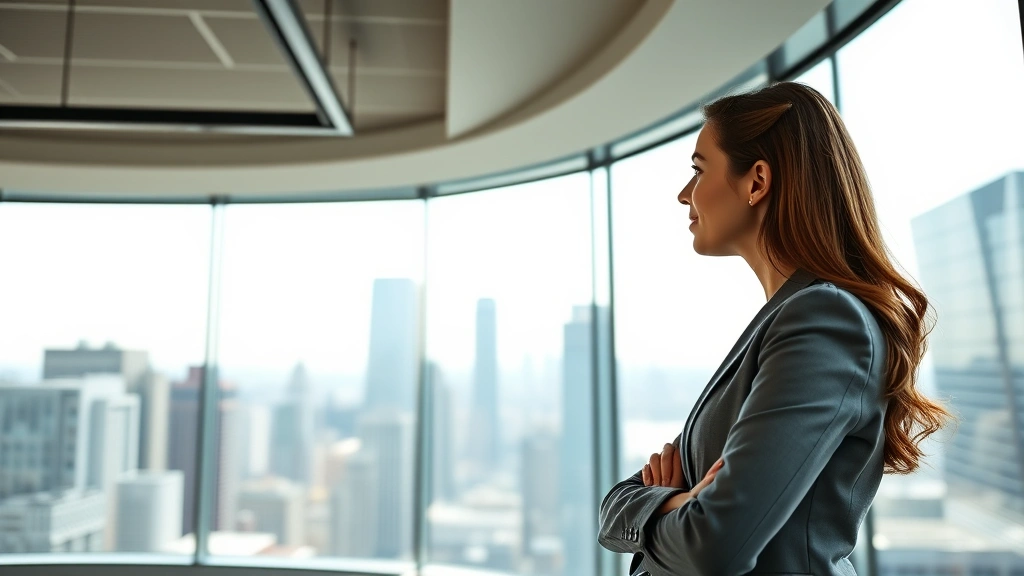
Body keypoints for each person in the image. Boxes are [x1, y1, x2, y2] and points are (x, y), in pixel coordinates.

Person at [597, 82, 953, 576]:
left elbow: (714, 544)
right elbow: (616, 505)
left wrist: (667, 503)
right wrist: (676, 503)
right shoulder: (789, 317)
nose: (684, 194)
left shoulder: (825, 322)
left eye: (698, 170)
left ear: (756, 181)